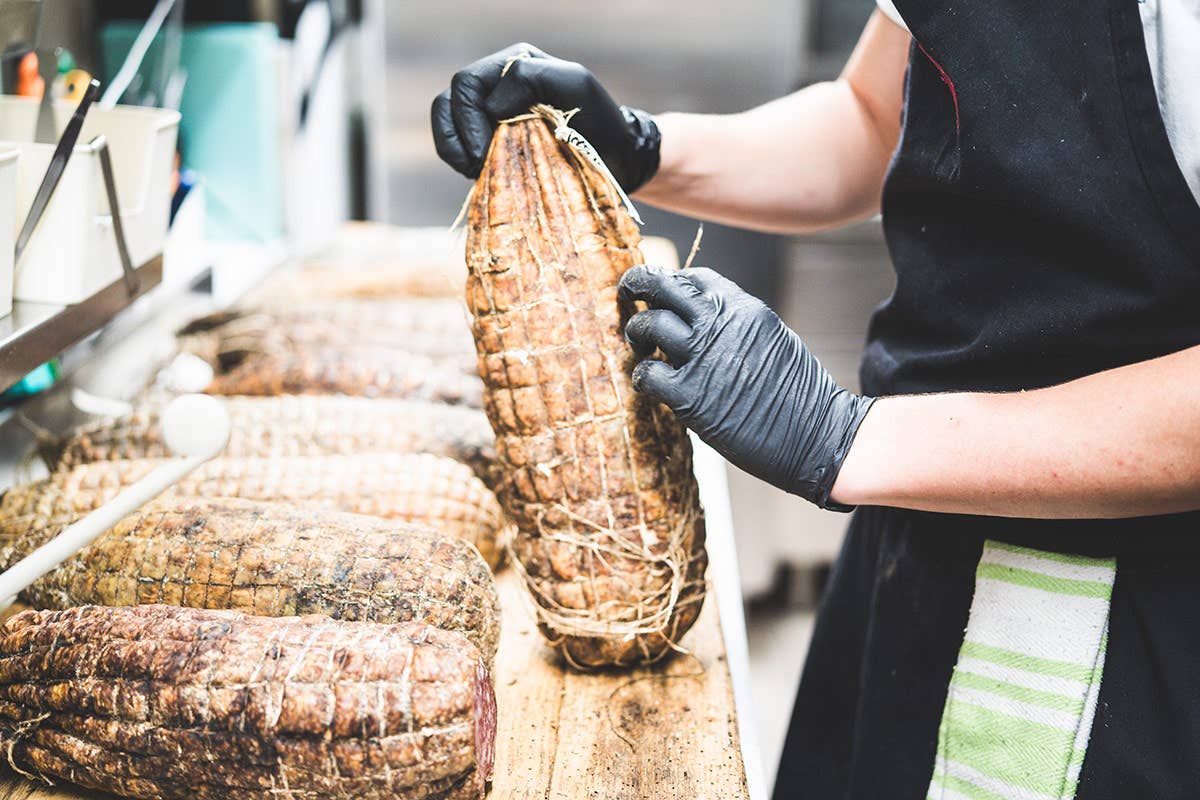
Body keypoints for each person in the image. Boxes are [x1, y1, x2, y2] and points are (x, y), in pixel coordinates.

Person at [431, 1, 1200, 796]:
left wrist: (849, 439)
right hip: (913, 542)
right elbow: (873, 116)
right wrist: (645, 146)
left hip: (1122, 626)